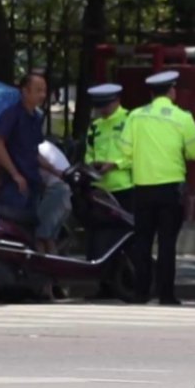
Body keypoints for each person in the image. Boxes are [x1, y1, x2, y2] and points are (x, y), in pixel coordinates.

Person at [119, 71, 195, 305]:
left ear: (151, 93)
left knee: (143, 242)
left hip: (142, 187)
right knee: (167, 243)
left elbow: (125, 150)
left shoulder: (135, 117)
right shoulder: (182, 117)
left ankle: (140, 293)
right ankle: (166, 295)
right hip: (170, 189)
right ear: (171, 92)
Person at [83, 84, 133, 300]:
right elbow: (88, 153)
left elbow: (139, 153)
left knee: (125, 239)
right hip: (101, 191)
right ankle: (103, 284)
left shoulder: (130, 121)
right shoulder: (95, 126)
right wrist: (91, 165)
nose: (102, 111)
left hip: (125, 188)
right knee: (100, 238)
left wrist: (117, 164)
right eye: (99, 107)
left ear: (116, 101)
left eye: (106, 106)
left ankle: (129, 282)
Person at [0, 72, 52, 249]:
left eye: (44, 90)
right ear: (24, 91)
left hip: (32, 181)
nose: (42, 95)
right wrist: (15, 174)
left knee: (28, 231)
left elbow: (34, 152)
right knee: (11, 232)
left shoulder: (37, 117)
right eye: (38, 90)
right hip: (15, 184)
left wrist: (56, 171)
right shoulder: (11, 115)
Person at [36, 137, 73, 256]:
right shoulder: (44, 145)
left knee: (39, 235)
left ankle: (39, 270)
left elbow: (36, 158)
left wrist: (55, 171)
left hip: (57, 189)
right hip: (65, 190)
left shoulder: (33, 145)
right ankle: (53, 269)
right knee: (49, 238)